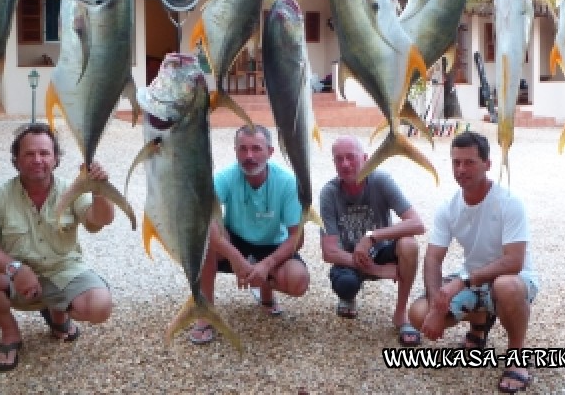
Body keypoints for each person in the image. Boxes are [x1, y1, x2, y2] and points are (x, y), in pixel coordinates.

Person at [0, 123, 115, 372]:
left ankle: (58, 314)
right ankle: (10, 334)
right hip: (15, 278)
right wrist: (14, 268)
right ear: (16, 160)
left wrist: (99, 191)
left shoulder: (71, 190)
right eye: (29, 154)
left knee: (100, 307)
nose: (37, 160)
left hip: (63, 270)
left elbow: (101, 219)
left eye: (44, 153)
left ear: (56, 159)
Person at [408, 131, 540, 394]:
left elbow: (513, 261)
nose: (461, 169)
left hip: (514, 280)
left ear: (487, 164)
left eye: (469, 162)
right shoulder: (448, 207)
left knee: (506, 287)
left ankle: (517, 356)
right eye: (456, 162)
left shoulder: (509, 203)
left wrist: (461, 282)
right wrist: (436, 303)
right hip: (472, 281)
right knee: (417, 315)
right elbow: (433, 258)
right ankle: (479, 325)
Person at [189, 124, 310, 345]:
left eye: (256, 148)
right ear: (235, 151)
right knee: (204, 241)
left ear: (270, 152)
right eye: (243, 149)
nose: (249, 156)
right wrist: (235, 257)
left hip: (272, 244)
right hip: (235, 240)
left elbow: (297, 237)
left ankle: (265, 292)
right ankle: (205, 312)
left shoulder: (287, 182)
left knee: (298, 280)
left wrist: (267, 264)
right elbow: (203, 219)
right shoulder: (225, 177)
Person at [319, 135, 425, 347]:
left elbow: (417, 224)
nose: (345, 164)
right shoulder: (329, 193)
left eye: (351, 157)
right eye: (339, 159)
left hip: (381, 249)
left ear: (365, 159)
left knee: (409, 244)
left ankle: (401, 312)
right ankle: (349, 296)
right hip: (349, 258)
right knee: (346, 285)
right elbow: (329, 252)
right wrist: (377, 270)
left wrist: (372, 237)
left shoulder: (381, 181)